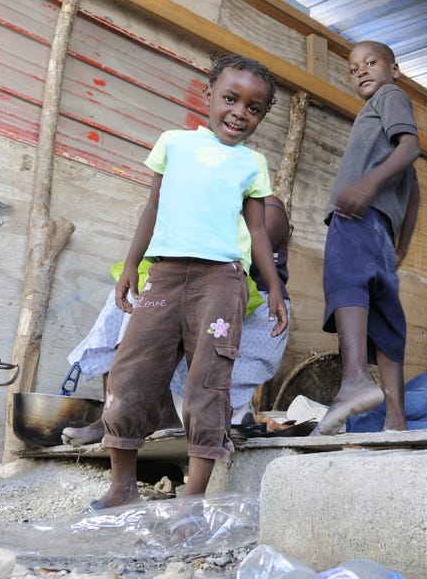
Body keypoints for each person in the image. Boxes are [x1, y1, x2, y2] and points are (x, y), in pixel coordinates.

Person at [89, 53, 289, 511]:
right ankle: (122, 487)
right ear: (209, 95)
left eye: (254, 108)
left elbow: (258, 231)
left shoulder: (252, 163)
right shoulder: (173, 144)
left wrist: (274, 288)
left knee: (209, 381)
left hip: (221, 282)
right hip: (164, 276)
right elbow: (152, 209)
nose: (240, 112)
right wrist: (131, 267)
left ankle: (192, 499)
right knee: (133, 371)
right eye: (230, 99)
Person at [61, 196, 292, 445]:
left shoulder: (270, 209)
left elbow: (238, 258)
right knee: (133, 299)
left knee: (172, 312)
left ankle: (160, 416)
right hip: (204, 285)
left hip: (254, 310)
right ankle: (114, 414)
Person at [313, 40, 421, 436]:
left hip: (356, 216)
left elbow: (412, 148)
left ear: (395, 69)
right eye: (353, 67)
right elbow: (416, 188)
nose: (360, 70)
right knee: (388, 321)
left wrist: (366, 185)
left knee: (346, 283)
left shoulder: (390, 96)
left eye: (371, 62)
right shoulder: (384, 119)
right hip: (382, 231)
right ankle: (396, 420)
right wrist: (401, 246)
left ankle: (356, 378)